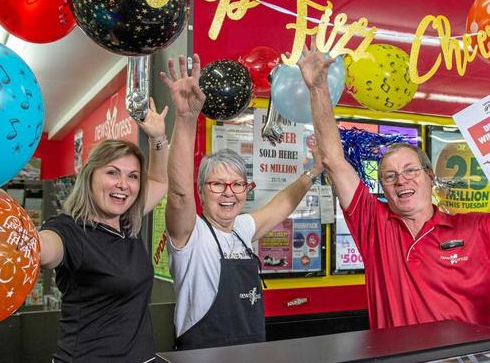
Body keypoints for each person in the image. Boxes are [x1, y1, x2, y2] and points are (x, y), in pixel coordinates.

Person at [297, 40, 490, 329]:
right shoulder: (375, 227)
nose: (401, 180)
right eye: (389, 176)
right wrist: (318, 87)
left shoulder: (482, 231)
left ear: (430, 177)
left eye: (410, 170)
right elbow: (333, 159)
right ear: (383, 187)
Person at [162, 54, 324, 349]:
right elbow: (178, 193)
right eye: (217, 184)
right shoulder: (191, 235)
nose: (229, 192)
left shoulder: (242, 229)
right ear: (201, 191)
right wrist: (186, 118)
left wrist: (314, 170)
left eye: (237, 184)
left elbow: (282, 205)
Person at [38, 98, 169, 363]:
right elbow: (44, 249)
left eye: (132, 176)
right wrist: (15, 239)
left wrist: (158, 137)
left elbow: (158, 180)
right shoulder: (69, 230)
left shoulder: (127, 223)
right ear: (90, 176)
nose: (123, 184)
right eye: (112, 173)